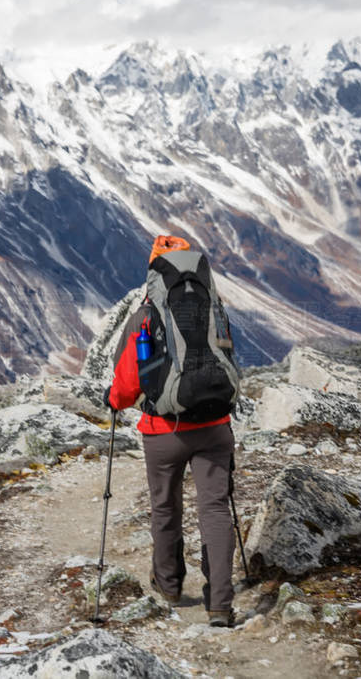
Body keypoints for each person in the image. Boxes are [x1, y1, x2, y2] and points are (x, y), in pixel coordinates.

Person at [103, 235, 239, 628]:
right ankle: (221, 604)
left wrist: (114, 400)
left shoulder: (146, 315)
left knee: (165, 507)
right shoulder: (213, 307)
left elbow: (129, 382)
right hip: (215, 426)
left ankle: (169, 585)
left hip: (163, 431)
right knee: (214, 508)